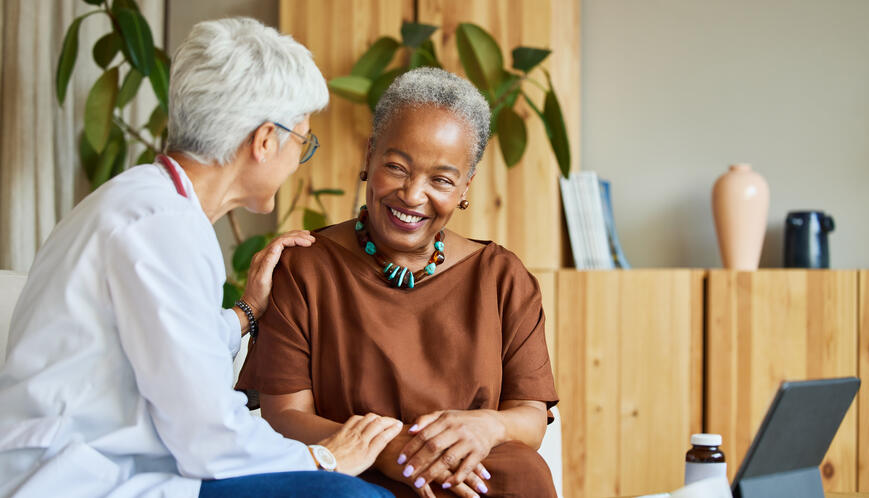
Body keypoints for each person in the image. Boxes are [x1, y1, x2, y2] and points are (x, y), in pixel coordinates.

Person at [0, 18, 401, 498]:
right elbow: (207, 435)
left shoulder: (147, 205)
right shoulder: (161, 225)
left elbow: (168, 349)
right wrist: (325, 458)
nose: (299, 160)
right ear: (265, 140)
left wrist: (246, 311)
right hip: (74, 480)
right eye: (303, 142)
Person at [236, 67, 559, 498]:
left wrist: (488, 426)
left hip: (469, 472)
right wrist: (387, 450)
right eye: (396, 167)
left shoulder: (503, 277)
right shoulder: (304, 268)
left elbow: (530, 417)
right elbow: (284, 417)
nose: (412, 194)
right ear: (369, 156)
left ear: (466, 186)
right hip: (356, 472)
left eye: (441, 180)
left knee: (525, 472)